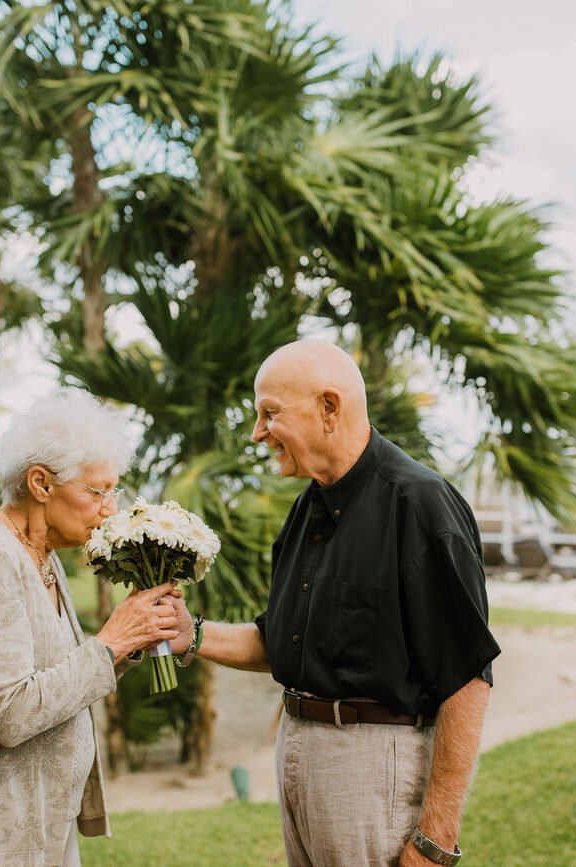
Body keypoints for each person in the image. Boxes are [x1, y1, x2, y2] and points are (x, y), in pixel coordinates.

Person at [171, 340, 501, 867]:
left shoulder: (418, 504)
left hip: (372, 771)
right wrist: (192, 633)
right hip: (298, 754)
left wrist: (435, 840)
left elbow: (466, 680)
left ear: (329, 407)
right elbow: (284, 646)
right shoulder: (307, 510)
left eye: (269, 414)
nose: (258, 433)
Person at [0, 389, 180, 867]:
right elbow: (9, 714)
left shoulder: (41, 556)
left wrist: (134, 640)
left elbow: (63, 681)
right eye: (98, 492)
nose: (110, 509)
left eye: (113, 492)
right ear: (41, 484)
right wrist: (111, 641)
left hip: (37, 823)